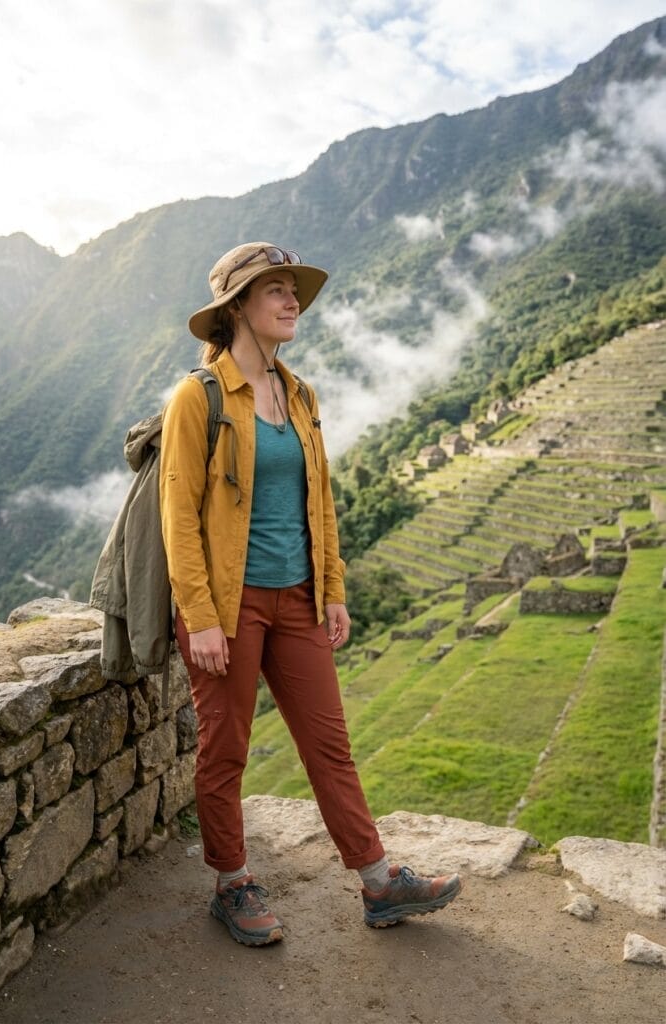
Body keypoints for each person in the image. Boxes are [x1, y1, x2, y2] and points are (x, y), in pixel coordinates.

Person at [159, 241, 461, 946]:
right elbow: (176, 516)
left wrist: (332, 588)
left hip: (295, 599)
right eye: (275, 290)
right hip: (226, 610)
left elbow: (317, 499)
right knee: (225, 748)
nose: (292, 300)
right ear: (235, 308)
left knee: (330, 745)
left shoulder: (300, 395)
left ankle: (380, 881)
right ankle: (231, 882)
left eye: (294, 289)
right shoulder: (196, 398)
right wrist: (200, 618)